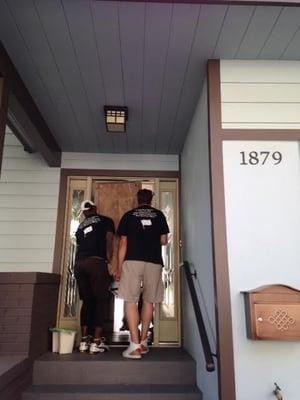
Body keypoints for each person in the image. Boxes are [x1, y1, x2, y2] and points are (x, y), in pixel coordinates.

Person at [115, 189, 169, 359]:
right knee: (149, 301)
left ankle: (134, 345)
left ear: (137, 199)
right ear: (151, 200)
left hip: (132, 260)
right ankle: (144, 341)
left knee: (130, 300)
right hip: (153, 261)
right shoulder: (159, 215)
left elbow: (123, 242)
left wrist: (118, 266)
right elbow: (163, 241)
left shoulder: (129, 215)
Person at [74, 200, 115, 354]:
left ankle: (84, 342)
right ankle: (96, 343)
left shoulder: (80, 226)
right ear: (95, 208)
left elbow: (79, 244)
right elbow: (109, 241)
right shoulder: (106, 220)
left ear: (85, 212)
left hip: (79, 264)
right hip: (96, 262)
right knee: (101, 300)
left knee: (87, 301)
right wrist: (109, 261)